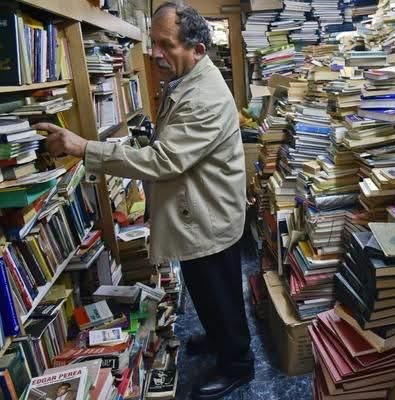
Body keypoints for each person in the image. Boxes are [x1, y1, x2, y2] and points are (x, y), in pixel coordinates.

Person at [34, 2, 252, 399]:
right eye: (154, 43)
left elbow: (165, 160)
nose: (155, 53)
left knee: (219, 291)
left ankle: (238, 363)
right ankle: (220, 339)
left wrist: (85, 147)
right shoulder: (187, 78)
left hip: (210, 215)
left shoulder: (204, 94)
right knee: (206, 289)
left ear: (198, 49)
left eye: (166, 45)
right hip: (198, 209)